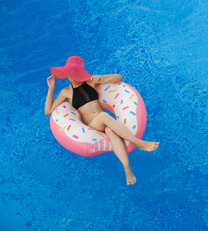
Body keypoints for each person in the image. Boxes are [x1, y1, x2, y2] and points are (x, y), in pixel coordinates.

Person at [44, 56, 159, 185]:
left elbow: (118, 77)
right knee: (104, 116)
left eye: (76, 74)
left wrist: (102, 78)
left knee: (111, 132)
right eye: (71, 75)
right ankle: (139, 143)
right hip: (93, 125)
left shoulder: (91, 81)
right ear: (68, 75)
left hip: (106, 123)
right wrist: (51, 88)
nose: (74, 78)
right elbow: (48, 111)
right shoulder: (65, 93)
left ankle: (127, 169)